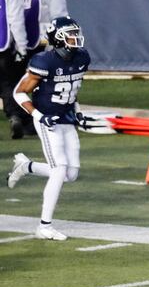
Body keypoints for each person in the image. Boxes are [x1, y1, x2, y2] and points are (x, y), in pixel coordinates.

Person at [6, 17, 88, 240]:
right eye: (70, 34)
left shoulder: (82, 57)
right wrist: (39, 116)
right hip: (46, 119)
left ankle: (27, 166)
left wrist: (78, 112)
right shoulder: (43, 61)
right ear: (59, 39)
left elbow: (72, 88)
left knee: (70, 174)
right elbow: (19, 92)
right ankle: (44, 226)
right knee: (60, 169)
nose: (75, 38)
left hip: (67, 118)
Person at [14, 0, 69, 137]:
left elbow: (59, 11)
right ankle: (31, 121)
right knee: (27, 82)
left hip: (44, 39)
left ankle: (54, 120)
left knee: (45, 83)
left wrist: (56, 41)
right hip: (28, 39)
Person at [0, 0, 29, 138]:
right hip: (3, 45)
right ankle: (14, 117)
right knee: (7, 84)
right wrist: (22, 46)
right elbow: (15, 18)